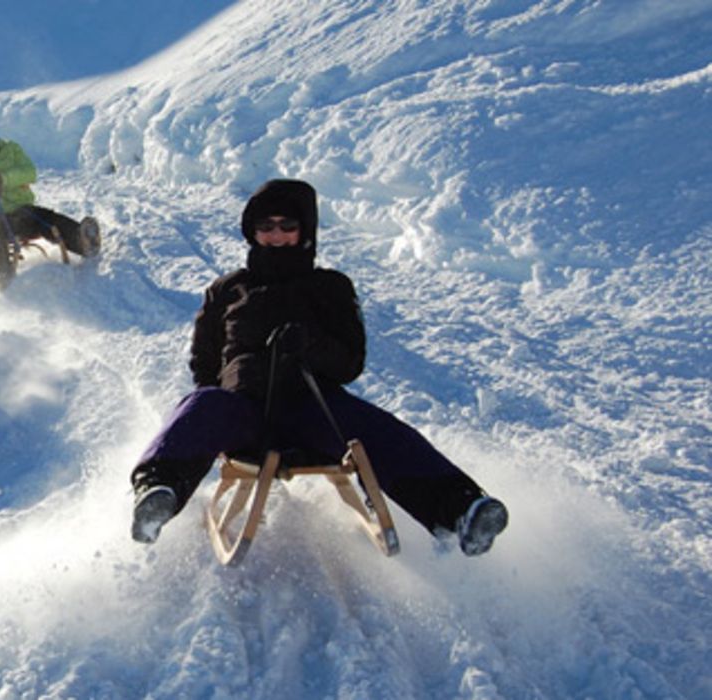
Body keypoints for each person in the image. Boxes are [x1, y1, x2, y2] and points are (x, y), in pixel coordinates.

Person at [130, 179, 509, 556]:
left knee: (371, 427)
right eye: (265, 227)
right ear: (252, 232)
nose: (276, 236)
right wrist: (221, 402)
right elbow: (204, 361)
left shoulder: (331, 287)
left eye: (287, 226)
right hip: (244, 410)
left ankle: (460, 509)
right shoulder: (227, 289)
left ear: (305, 231)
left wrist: (310, 345)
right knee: (202, 403)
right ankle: (157, 492)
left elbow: (351, 363)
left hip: (311, 407)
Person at [0, 119, 101, 289]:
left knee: (42, 217)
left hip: (17, 211)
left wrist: (3, 179)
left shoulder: (10, 150)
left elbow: (30, 172)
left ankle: (80, 239)